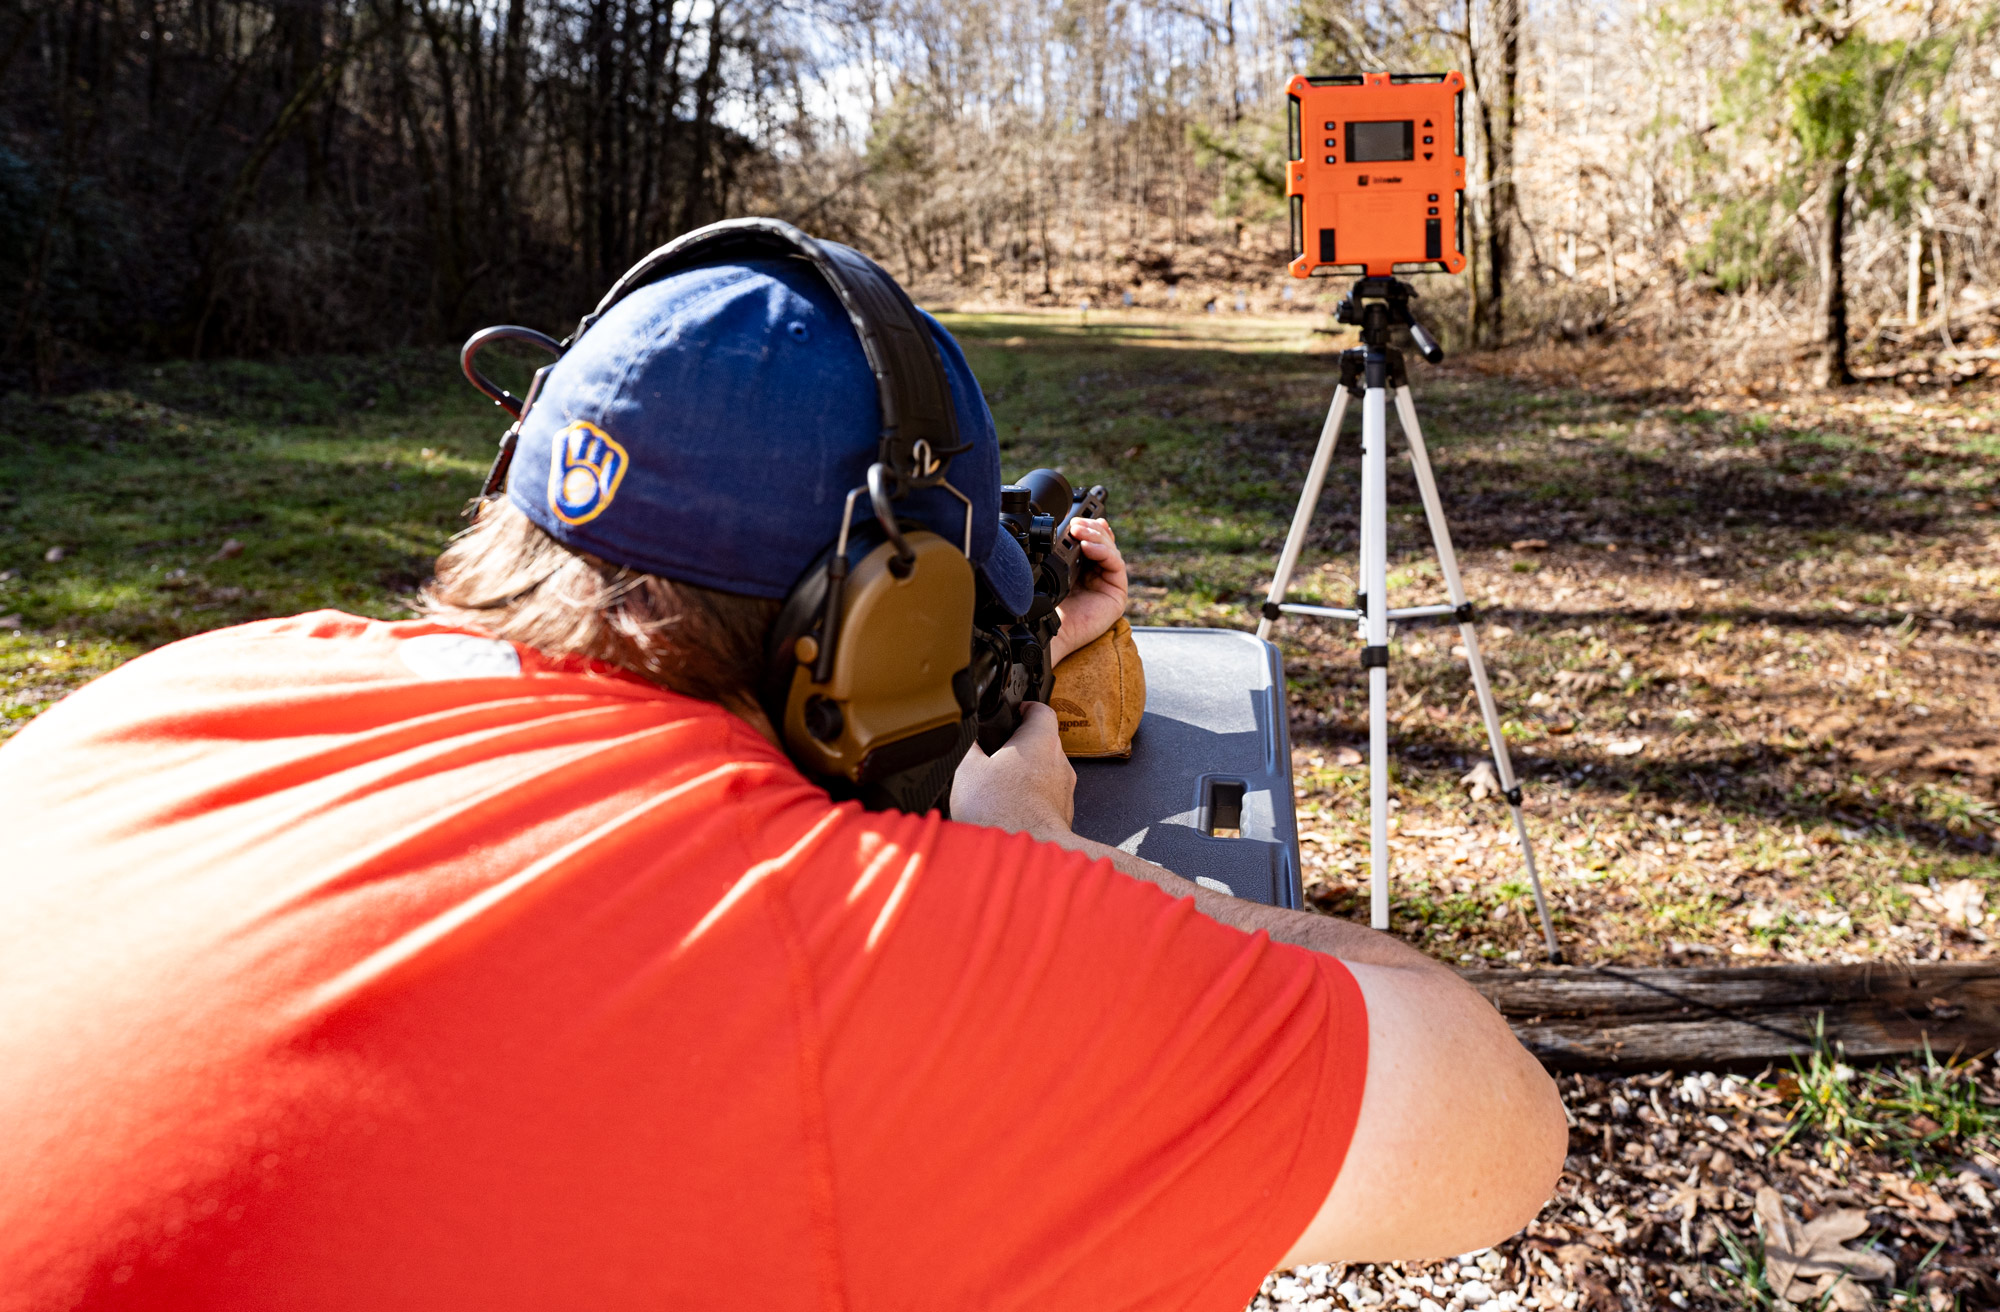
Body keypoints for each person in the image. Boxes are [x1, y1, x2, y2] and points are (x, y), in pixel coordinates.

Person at [0, 239, 1565, 1312]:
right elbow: (1495, 1134)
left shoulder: (163, 700)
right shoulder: (867, 960)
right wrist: (1043, 872)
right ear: (879, 628)